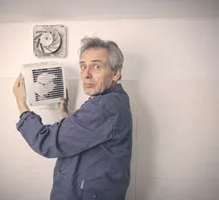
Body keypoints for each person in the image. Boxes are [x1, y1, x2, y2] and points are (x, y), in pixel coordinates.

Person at [13, 37, 132, 200]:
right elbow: (92, 136)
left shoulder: (103, 106)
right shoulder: (114, 99)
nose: (86, 75)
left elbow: (46, 142)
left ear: (116, 73)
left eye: (96, 66)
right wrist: (66, 114)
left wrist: (21, 104)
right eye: (83, 66)